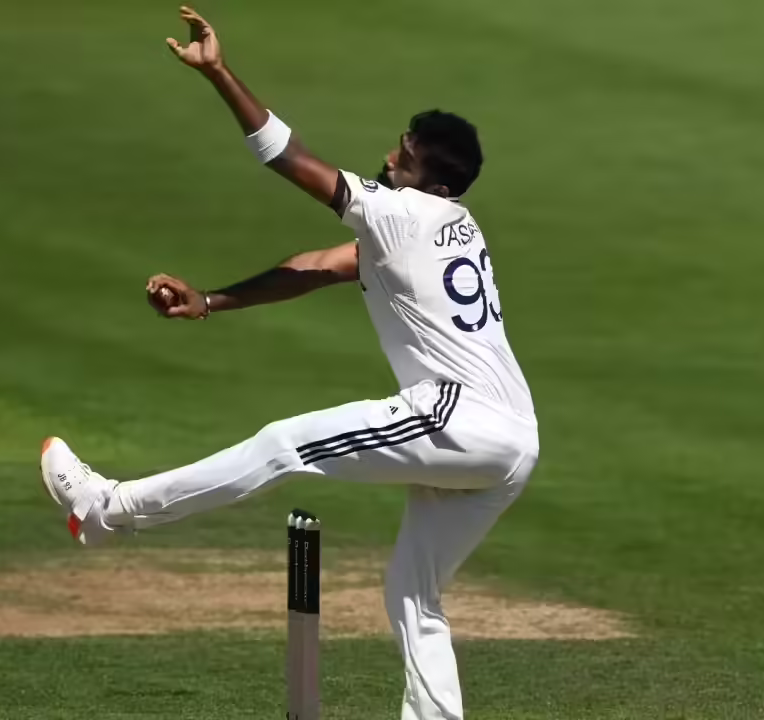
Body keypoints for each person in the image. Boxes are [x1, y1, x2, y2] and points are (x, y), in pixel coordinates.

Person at [37, 7, 539, 719]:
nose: (390, 157)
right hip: (515, 440)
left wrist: (218, 75)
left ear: (431, 177)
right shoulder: (447, 226)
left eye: (404, 152)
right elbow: (313, 267)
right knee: (412, 589)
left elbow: (286, 157)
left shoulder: (402, 212)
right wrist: (210, 301)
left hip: (461, 417)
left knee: (284, 446)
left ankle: (107, 509)